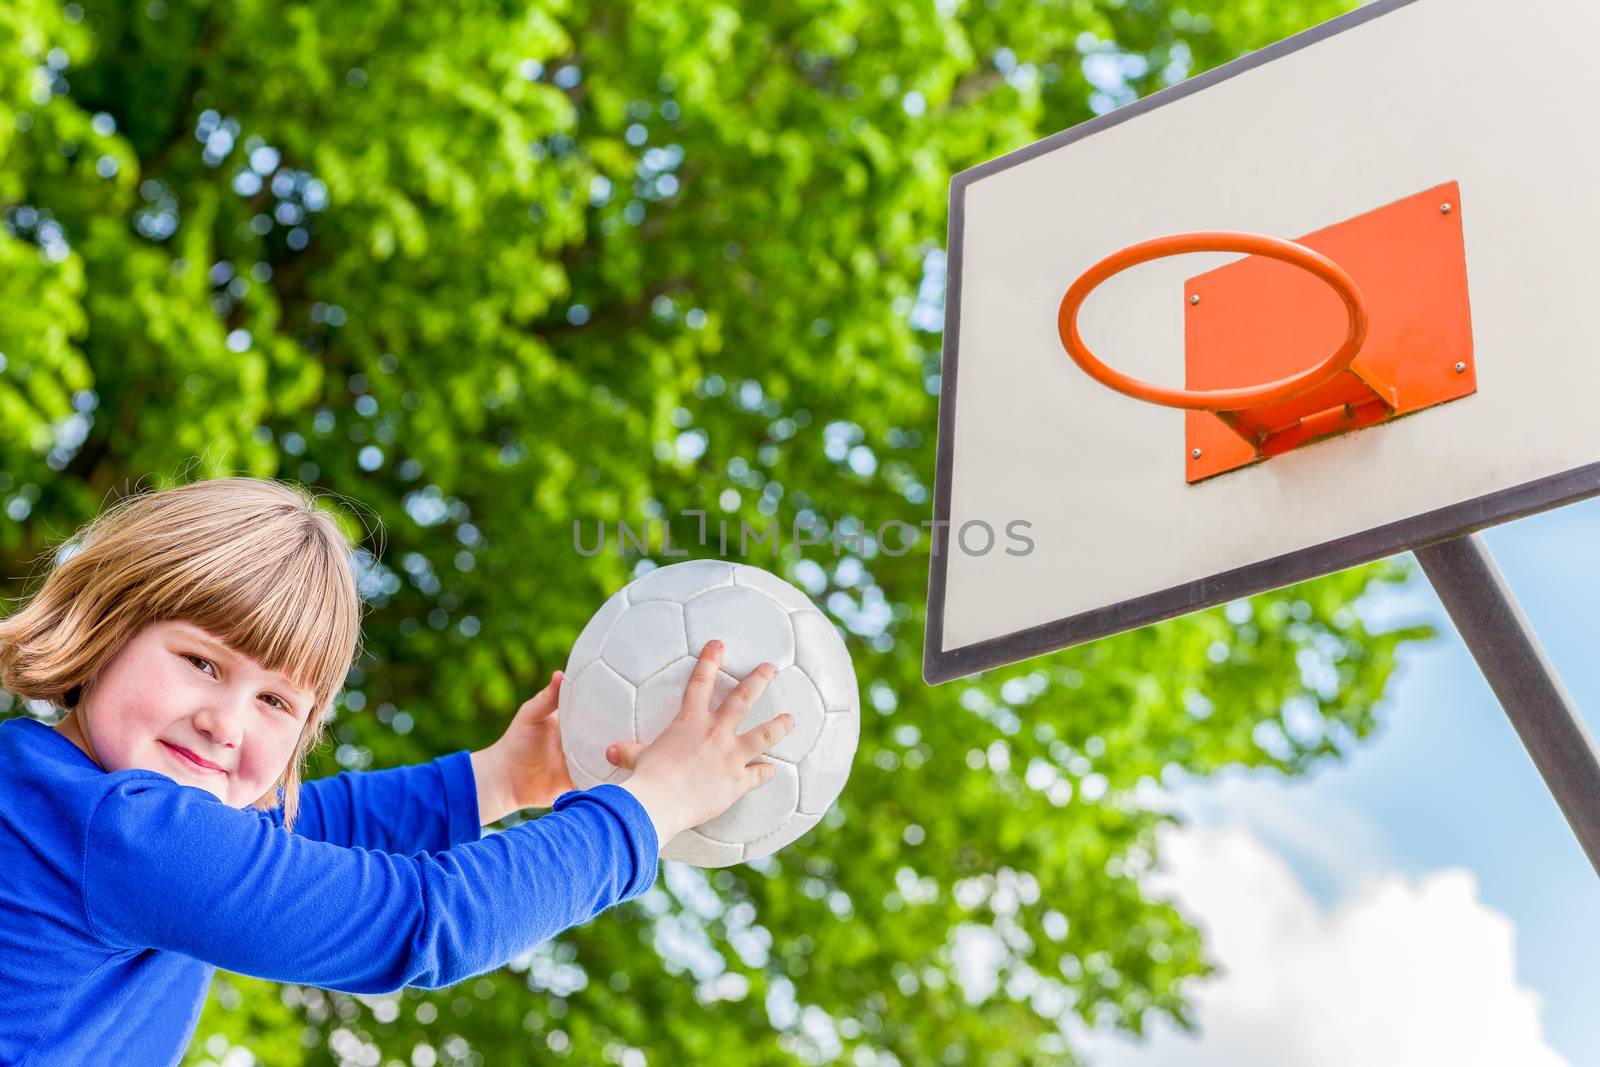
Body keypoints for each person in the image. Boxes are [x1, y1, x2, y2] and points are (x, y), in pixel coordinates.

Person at [0, 477, 793, 1066]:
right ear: (108, 622)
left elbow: (313, 826)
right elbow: (421, 920)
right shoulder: (121, 832)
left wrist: (503, 777)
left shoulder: (56, 788)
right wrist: (647, 809)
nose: (225, 720)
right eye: (202, 662)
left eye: (276, 700)